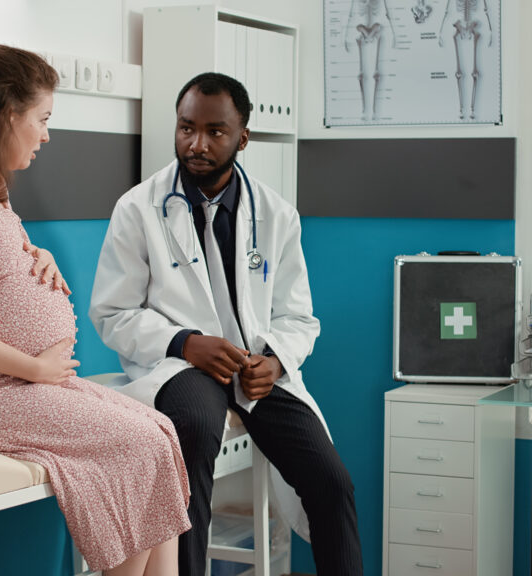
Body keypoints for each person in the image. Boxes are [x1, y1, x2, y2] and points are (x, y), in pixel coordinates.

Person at [0, 40, 190, 576]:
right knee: (134, 444)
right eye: (43, 118)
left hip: (17, 387)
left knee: (159, 431)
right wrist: (35, 366)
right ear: (7, 115)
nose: (47, 135)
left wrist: (40, 256)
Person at [90, 72, 363, 576]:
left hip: (256, 369)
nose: (196, 144)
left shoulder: (277, 215)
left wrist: (276, 359)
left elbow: (299, 316)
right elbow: (113, 313)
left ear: (243, 137)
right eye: (186, 128)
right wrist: (186, 342)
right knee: (192, 431)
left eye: (215, 131)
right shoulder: (137, 209)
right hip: (179, 366)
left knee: (332, 481)